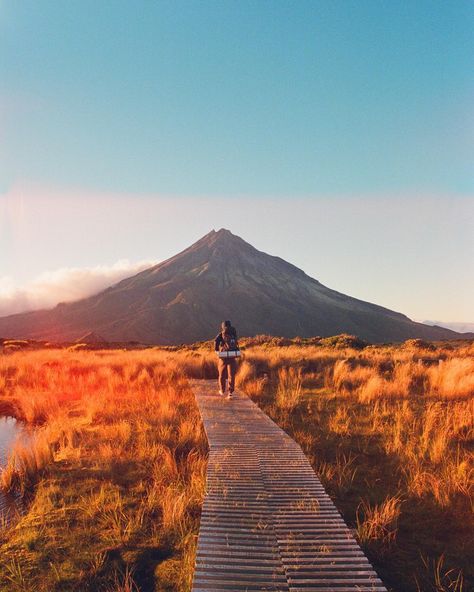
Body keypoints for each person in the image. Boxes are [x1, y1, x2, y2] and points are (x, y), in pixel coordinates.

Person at [215, 320, 240, 399]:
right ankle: (230, 393)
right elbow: (236, 343)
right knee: (231, 375)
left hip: (223, 356)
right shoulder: (233, 332)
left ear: (223, 326)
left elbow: (216, 341)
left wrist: (216, 350)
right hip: (232, 356)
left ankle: (222, 390)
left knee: (222, 374)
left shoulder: (222, 334)